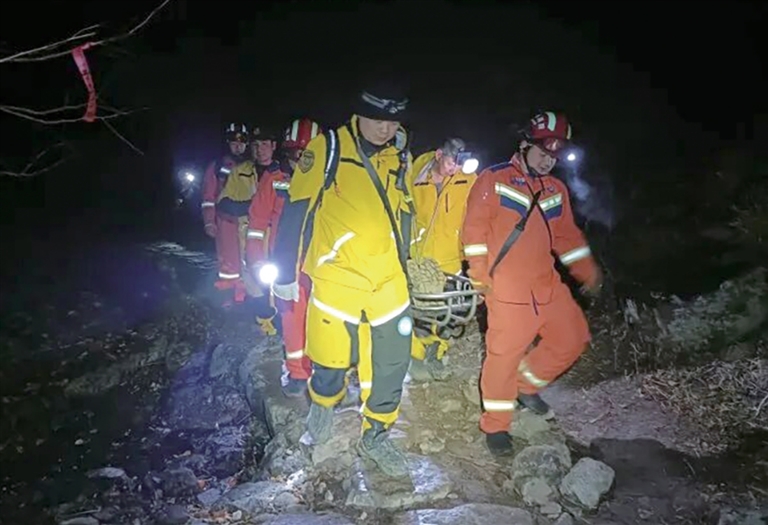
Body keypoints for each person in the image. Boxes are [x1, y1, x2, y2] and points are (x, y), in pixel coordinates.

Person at [270, 84, 414, 477]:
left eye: (393, 121)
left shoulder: (399, 154)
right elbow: (297, 209)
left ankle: (377, 434)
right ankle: (323, 405)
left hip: (388, 278)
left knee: (392, 362)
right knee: (330, 360)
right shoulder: (328, 148)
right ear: (359, 113)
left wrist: (412, 263)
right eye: (378, 119)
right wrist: (284, 271)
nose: (386, 129)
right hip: (337, 277)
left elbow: (404, 210)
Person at [461, 111, 603, 456]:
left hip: (547, 287)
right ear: (524, 145)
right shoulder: (494, 179)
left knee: (572, 338)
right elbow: (474, 232)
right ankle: (496, 425)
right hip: (508, 291)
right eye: (542, 150)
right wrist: (479, 275)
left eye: (554, 154)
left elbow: (566, 237)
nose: (547, 159)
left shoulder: (556, 188)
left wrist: (588, 272)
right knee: (503, 358)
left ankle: (525, 386)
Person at [246, 118, 322, 396]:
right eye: (295, 153)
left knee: (324, 317)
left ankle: (326, 370)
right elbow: (257, 223)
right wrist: (256, 260)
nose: (300, 159)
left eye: (307, 153)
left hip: (321, 260)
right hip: (287, 260)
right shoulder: (275, 178)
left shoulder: (329, 178)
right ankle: (297, 371)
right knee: (291, 316)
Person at [408, 138, 478, 381]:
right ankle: (416, 354)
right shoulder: (416, 173)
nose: (455, 169)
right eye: (451, 163)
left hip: (451, 259)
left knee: (449, 312)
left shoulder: (469, 179)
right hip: (419, 259)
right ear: (439, 155)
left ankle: (437, 351)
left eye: (459, 164)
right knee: (419, 311)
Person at [201, 122, 250, 305]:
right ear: (227, 142)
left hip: (248, 221)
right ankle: (228, 299)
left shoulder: (252, 166)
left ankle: (248, 297)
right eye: (234, 141)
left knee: (250, 260)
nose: (238, 145)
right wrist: (209, 221)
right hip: (225, 221)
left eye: (242, 141)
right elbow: (208, 196)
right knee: (228, 263)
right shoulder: (217, 166)